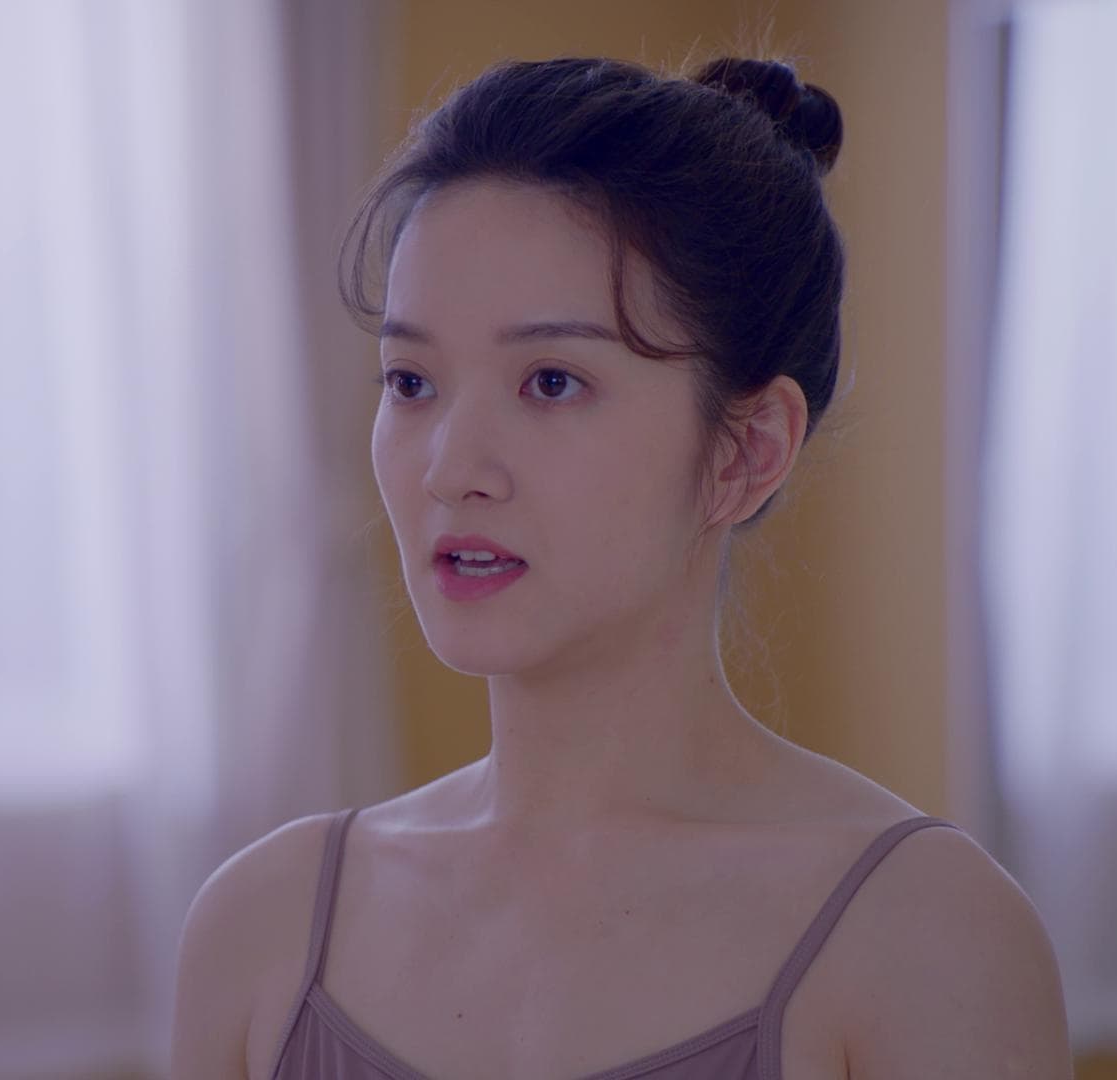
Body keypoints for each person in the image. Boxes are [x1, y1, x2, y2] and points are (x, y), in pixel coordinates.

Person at [170, 53, 1071, 1079]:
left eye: (551, 382)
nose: (451, 469)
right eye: (411, 381)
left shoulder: (926, 938)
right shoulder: (262, 929)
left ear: (745, 452)